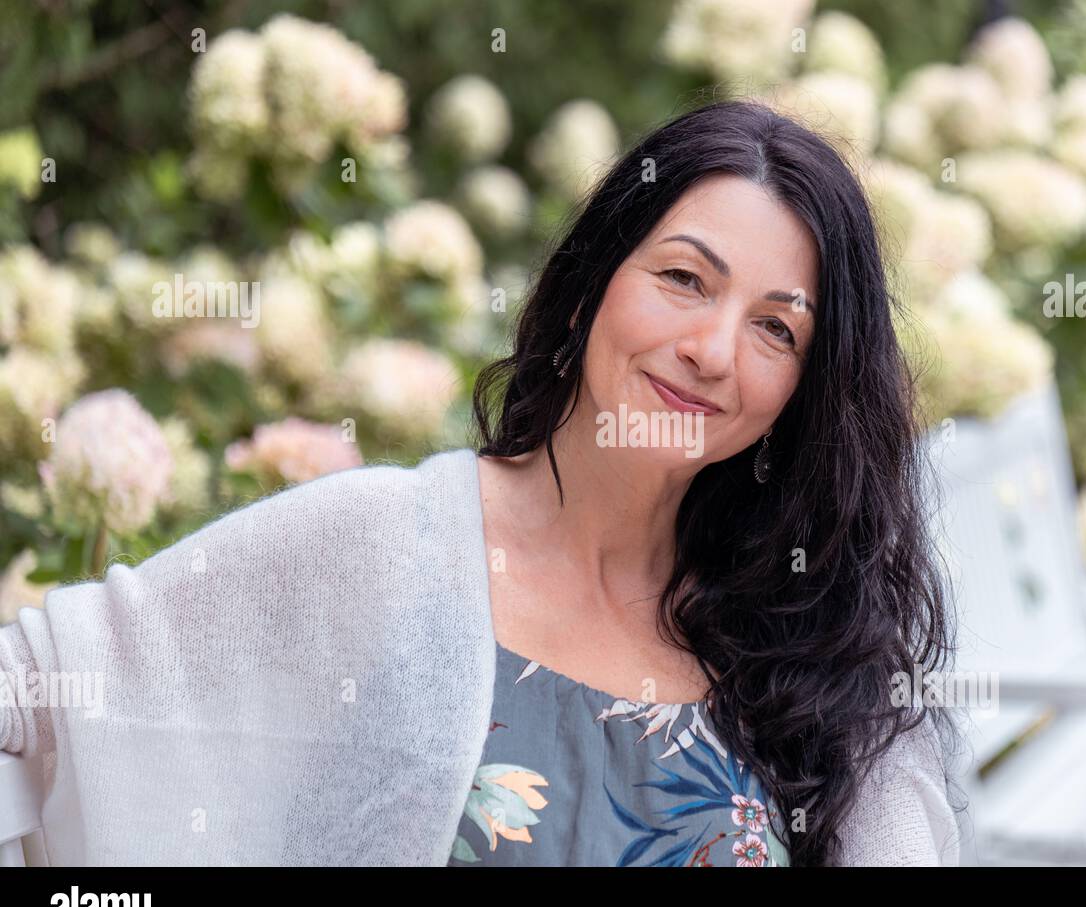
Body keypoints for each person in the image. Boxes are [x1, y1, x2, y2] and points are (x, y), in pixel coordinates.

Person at [0, 97, 966, 867]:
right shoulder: (389, 542)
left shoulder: (811, 630)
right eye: (683, 278)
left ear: (805, 388)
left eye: (775, 328)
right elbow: (40, 690)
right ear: (594, 282)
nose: (712, 350)